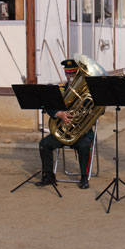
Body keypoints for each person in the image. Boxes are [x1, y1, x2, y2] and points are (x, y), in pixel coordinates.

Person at [38, 59, 95, 190]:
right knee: (44, 144)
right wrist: (59, 114)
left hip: (81, 132)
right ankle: (48, 176)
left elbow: (98, 111)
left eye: (74, 73)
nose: (71, 76)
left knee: (84, 145)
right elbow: (49, 107)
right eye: (68, 74)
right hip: (62, 132)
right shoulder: (59, 90)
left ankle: (84, 177)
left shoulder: (88, 92)